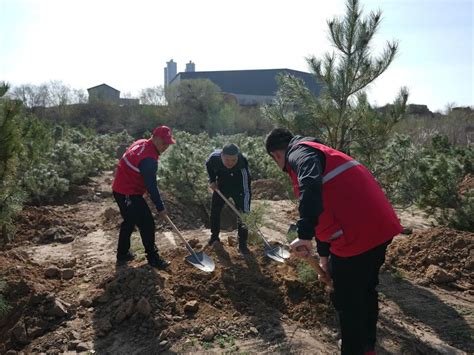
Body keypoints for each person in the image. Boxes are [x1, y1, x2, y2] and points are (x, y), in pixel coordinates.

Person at [264, 128, 403, 355]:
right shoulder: (322, 152)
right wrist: (325, 259)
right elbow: (328, 208)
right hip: (380, 227)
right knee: (366, 289)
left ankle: (353, 349)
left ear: (276, 155)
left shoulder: (299, 153)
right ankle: (367, 347)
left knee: (347, 300)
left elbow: (310, 184)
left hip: (357, 234)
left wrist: (305, 233)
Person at [111, 125, 176, 269]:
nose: (166, 146)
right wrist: (160, 207)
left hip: (121, 188)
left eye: (168, 143)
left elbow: (139, 172)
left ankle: (122, 254)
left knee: (129, 220)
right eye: (163, 142)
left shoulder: (141, 142)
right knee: (147, 223)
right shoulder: (149, 159)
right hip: (127, 192)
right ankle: (153, 258)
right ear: (155, 138)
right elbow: (152, 186)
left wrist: (142, 189)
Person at [205, 143, 252, 254]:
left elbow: (246, 188)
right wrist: (212, 180)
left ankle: (242, 243)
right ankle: (214, 237)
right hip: (222, 185)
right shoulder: (214, 158)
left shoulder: (242, 162)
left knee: (243, 214)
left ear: (237, 157)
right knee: (215, 210)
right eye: (227, 160)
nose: (230, 163)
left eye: (233, 160)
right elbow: (208, 165)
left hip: (239, 187)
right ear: (221, 155)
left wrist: (246, 210)